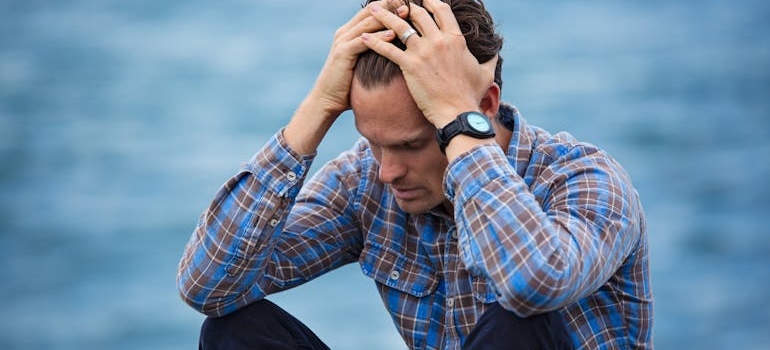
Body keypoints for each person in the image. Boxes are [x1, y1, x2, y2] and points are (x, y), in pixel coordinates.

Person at [176, 0, 653, 349]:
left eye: (409, 144)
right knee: (232, 332)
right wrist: (318, 109)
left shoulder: (586, 179)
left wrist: (458, 120)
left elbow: (532, 283)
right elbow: (208, 286)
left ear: (484, 105)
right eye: (371, 140)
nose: (386, 170)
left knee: (520, 322)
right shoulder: (366, 181)